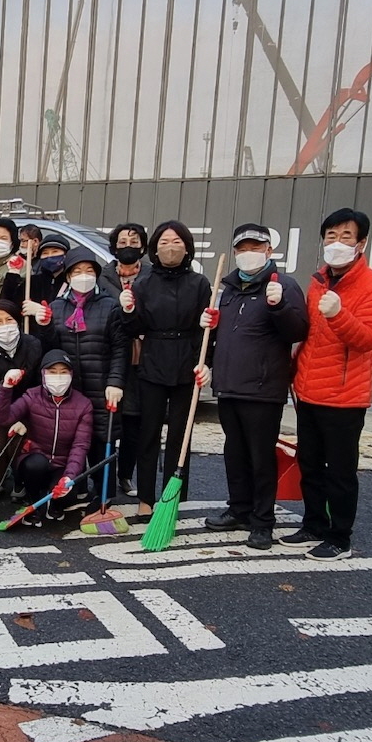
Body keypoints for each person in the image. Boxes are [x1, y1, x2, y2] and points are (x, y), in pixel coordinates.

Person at [282, 208, 372, 562]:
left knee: (340, 471)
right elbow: (310, 337)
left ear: (362, 243)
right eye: (331, 236)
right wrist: (292, 371)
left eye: (346, 236)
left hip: (345, 397)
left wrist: (338, 314)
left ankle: (339, 536)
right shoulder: (319, 282)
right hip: (310, 390)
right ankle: (313, 523)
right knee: (310, 463)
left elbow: (367, 339)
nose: (337, 243)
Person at [200, 224, 309, 549]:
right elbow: (222, 337)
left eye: (256, 246)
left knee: (261, 457)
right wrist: (208, 352)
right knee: (234, 452)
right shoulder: (229, 288)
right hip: (229, 386)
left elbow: (297, 331)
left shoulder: (283, 286)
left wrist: (278, 307)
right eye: (243, 247)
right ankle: (240, 508)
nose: (249, 253)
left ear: (269, 251)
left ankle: (262, 521)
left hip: (263, 389)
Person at [127, 221, 212, 519]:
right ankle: (146, 498)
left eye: (176, 241)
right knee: (148, 434)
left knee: (180, 435)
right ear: (155, 248)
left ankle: (173, 497)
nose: (170, 247)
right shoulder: (144, 283)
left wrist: (206, 362)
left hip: (187, 363)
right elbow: (134, 328)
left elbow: (208, 332)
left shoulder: (200, 284)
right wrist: (127, 310)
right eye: (164, 242)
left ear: (187, 246)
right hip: (152, 362)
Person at [34, 245, 128, 505]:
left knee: (101, 441)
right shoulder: (57, 307)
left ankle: (105, 494)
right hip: (69, 388)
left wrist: (116, 382)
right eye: (77, 270)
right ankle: (78, 487)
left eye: (89, 270)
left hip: (101, 386)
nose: (83, 275)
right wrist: (43, 326)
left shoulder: (109, 306)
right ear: (67, 276)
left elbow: (121, 348)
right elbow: (50, 347)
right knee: (73, 441)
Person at [0, 350, 93, 526]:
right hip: (37, 456)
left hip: (63, 464)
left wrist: (69, 477)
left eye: (63, 372)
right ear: (43, 374)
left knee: (68, 494)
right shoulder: (32, 396)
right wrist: (6, 387)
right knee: (34, 465)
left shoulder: (83, 404)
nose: (58, 377)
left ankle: (55, 504)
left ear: (71, 375)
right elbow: (2, 418)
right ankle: (33, 502)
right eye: (52, 372)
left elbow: (80, 446)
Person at [0, 300, 43, 499]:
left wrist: (27, 414)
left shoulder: (32, 344)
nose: (5, 326)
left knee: (17, 443)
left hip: (27, 408)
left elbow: (38, 382)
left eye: (9, 320)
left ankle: (20, 480)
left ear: (18, 321)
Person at [105, 247, 146, 495]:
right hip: (109, 357)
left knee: (133, 422)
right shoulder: (103, 277)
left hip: (141, 360)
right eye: (122, 240)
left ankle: (125, 475)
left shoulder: (150, 277)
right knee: (107, 425)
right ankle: (103, 478)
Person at [3, 232, 70, 307]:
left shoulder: (71, 282)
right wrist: (13, 273)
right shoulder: (32, 282)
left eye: (55, 251)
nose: (50, 256)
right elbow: (7, 304)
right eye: (45, 253)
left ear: (66, 255)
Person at [99, 223, 149, 296]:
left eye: (133, 242)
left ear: (142, 248)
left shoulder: (152, 276)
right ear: (115, 248)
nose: (128, 245)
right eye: (123, 242)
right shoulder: (102, 277)